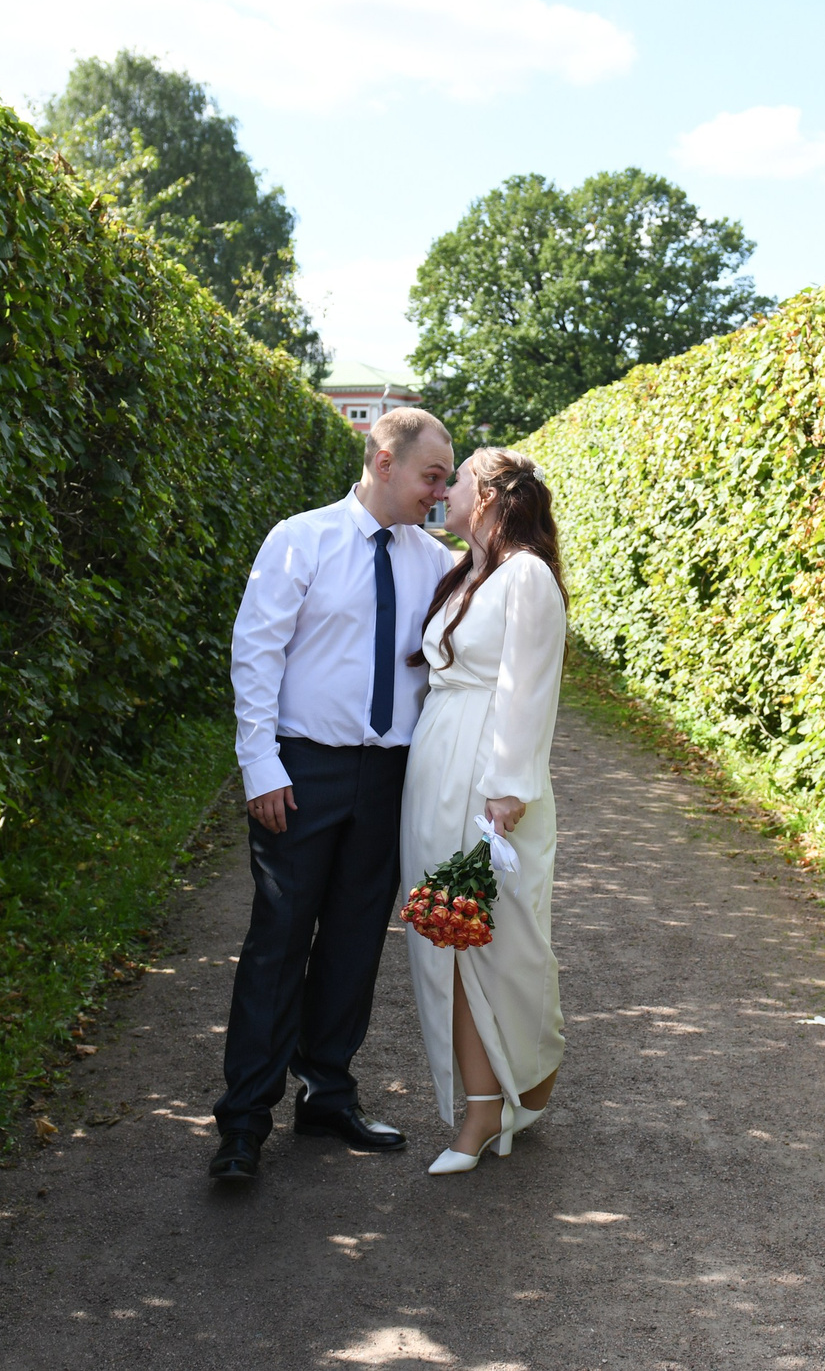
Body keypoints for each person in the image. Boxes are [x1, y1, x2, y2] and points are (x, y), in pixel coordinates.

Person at [209, 408, 457, 1182]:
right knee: (279, 940)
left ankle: (327, 1094)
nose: (440, 493)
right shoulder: (301, 539)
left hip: (389, 776)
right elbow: (256, 653)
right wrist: (261, 766)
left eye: (447, 481)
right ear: (384, 462)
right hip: (302, 771)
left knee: (355, 940)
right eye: (431, 477)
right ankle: (244, 1122)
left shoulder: (433, 560)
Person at [399, 447, 568, 1175]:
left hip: (486, 778)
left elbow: (528, 687)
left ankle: (510, 1092)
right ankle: (482, 1103)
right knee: (445, 932)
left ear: (493, 493)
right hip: (436, 762)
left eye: (460, 478)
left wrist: (509, 789)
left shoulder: (526, 574)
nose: (447, 488)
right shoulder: (466, 571)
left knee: (492, 939)